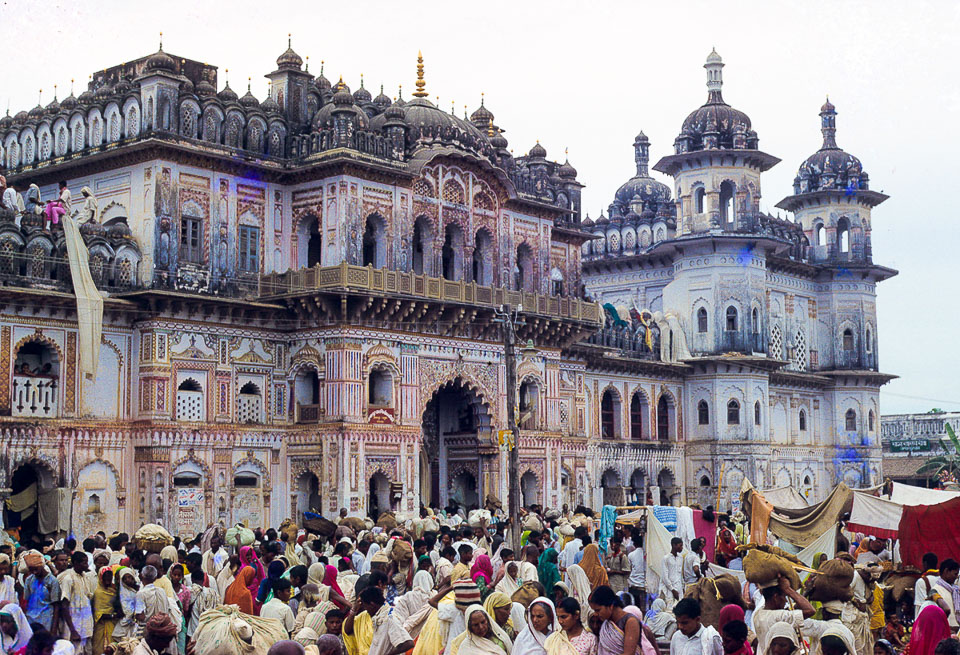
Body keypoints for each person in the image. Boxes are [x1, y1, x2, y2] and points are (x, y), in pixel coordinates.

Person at [750, 577, 814, 655]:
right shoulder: (779, 616)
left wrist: (806, 592)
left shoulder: (758, 613)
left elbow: (793, 610)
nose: (786, 600)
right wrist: (788, 590)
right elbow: (810, 610)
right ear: (776, 597)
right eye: (784, 596)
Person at [589, 585, 659, 655]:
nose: (596, 614)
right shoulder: (605, 623)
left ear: (610, 606)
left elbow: (628, 653)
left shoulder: (630, 622)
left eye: (598, 610)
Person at [58, 552, 93, 654]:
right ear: (75, 563)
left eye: (86, 562)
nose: (86, 565)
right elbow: (64, 604)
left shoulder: (85, 577)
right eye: (84, 562)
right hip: (74, 625)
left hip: (86, 625)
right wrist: (73, 631)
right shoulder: (68, 579)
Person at [23, 552, 61, 633]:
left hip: (46, 621)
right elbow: (26, 600)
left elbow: (56, 606)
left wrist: (53, 630)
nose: (34, 572)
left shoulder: (52, 581)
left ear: (42, 566)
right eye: (31, 570)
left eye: (36, 569)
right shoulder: (29, 580)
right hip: (31, 620)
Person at [932, 558, 960, 630]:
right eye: (955, 574)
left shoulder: (956, 590)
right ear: (946, 571)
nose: (956, 577)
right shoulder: (936, 590)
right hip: (946, 632)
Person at [659, 539, 685, 610]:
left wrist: (682, 587)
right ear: (674, 545)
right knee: (669, 609)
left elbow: (680, 574)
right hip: (669, 589)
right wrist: (672, 590)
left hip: (679, 587)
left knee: (680, 609)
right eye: (680, 546)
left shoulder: (681, 557)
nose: (682, 548)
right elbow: (665, 577)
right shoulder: (666, 558)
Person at [627, 532, 646, 613]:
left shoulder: (631, 555)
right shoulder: (646, 554)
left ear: (634, 544)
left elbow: (629, 569)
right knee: (644, 606)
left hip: (634, 583)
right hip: (643, 583)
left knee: (634, 605)